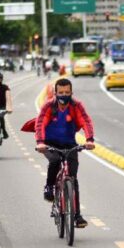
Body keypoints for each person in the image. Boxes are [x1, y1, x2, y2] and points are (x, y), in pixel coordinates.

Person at [35, 78, 95, 228]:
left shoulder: (76, 106)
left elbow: (85, 121)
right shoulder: (49, 106)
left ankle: (77, 216)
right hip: (49, 144)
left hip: (70, 144)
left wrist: (89, 139)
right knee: (54, 161)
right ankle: (49, 186)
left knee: (73, 179)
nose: (64, 95)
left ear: (71, 92)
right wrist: (40, 142)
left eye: (67, 92)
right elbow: (40, 123)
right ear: (55, 93)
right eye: (61, 92)